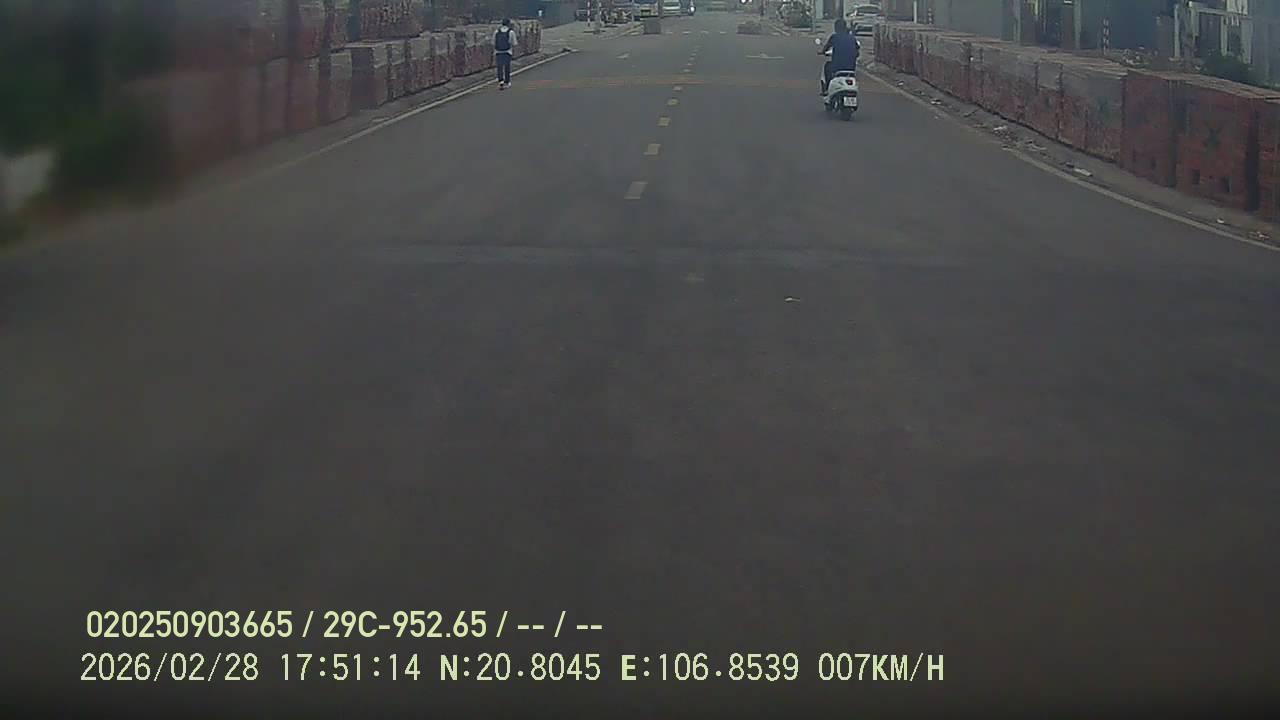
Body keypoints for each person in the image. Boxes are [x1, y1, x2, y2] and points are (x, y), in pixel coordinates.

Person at [819, 18, 860, 95]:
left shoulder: (834, 37)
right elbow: (857, 52)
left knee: (827, 67)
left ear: (836, 28)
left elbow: (826, 47)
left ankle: (827, 89)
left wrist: (822, 52)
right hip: (851, 68)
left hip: (837, 67)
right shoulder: (852, 38)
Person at [494, 18, 517, 90]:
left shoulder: (497, 31)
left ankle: (500, 81)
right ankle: (507, 81)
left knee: (499, 67)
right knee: (507, 66)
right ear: (508, 24)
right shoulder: (511, 32)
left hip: (498, 52)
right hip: (507, 52)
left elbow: (493, 42)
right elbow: (514, 43)